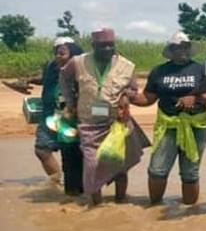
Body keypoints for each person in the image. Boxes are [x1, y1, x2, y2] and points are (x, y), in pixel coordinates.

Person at [61, 28, 149, 205]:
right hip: (89, 122)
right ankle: (96, 203)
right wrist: (70, 102)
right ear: (93, 46)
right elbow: (64, 78)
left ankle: (120, 201)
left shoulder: (127, 65)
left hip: (116, 122)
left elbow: (133, 89)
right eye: (102, 46)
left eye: (110, 45)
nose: (107, 49)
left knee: (120, 165)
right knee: (92, 165)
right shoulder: (78, 62)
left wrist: (126, 95)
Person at [132, 32, 206, 205]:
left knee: (190, 173)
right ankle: (153, 208)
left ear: (189, 49)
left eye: (185, 46)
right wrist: (129, 97)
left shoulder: (201, 70)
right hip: (167, 125)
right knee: (157, 170)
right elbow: (148, 98)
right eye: (177, 47)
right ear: (171, 50)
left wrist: (196, 99)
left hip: (195, 126)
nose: (181, 50)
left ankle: (190, 213)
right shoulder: (159, 71)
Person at [34, 37, 84, 194]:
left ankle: (79, 191)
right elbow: (46, 83)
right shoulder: (51, 67)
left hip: (73, 120)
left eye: (62, 52)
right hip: (51, 116)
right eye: (56, 51)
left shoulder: (81, 72)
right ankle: (57, 183)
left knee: (74, 156)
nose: (57, 56)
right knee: (43, 149)